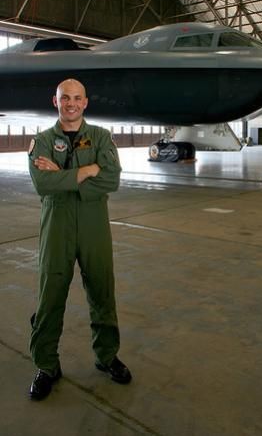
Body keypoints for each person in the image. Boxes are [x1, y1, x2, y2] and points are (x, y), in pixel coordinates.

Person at [28, 78, 131, 401]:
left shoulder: (100, 136)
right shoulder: (42, 140)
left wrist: (63, 174)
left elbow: (112, 178)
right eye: (64, 98)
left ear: (85, 103)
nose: (70, 103)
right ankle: (46, 365)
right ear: (55, 102)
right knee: (50, 295)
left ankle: (106, 356)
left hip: (93, 225)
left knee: (102, 289)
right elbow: (43, 184)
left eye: (76, 98)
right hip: (56, 224)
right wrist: (87, 171)